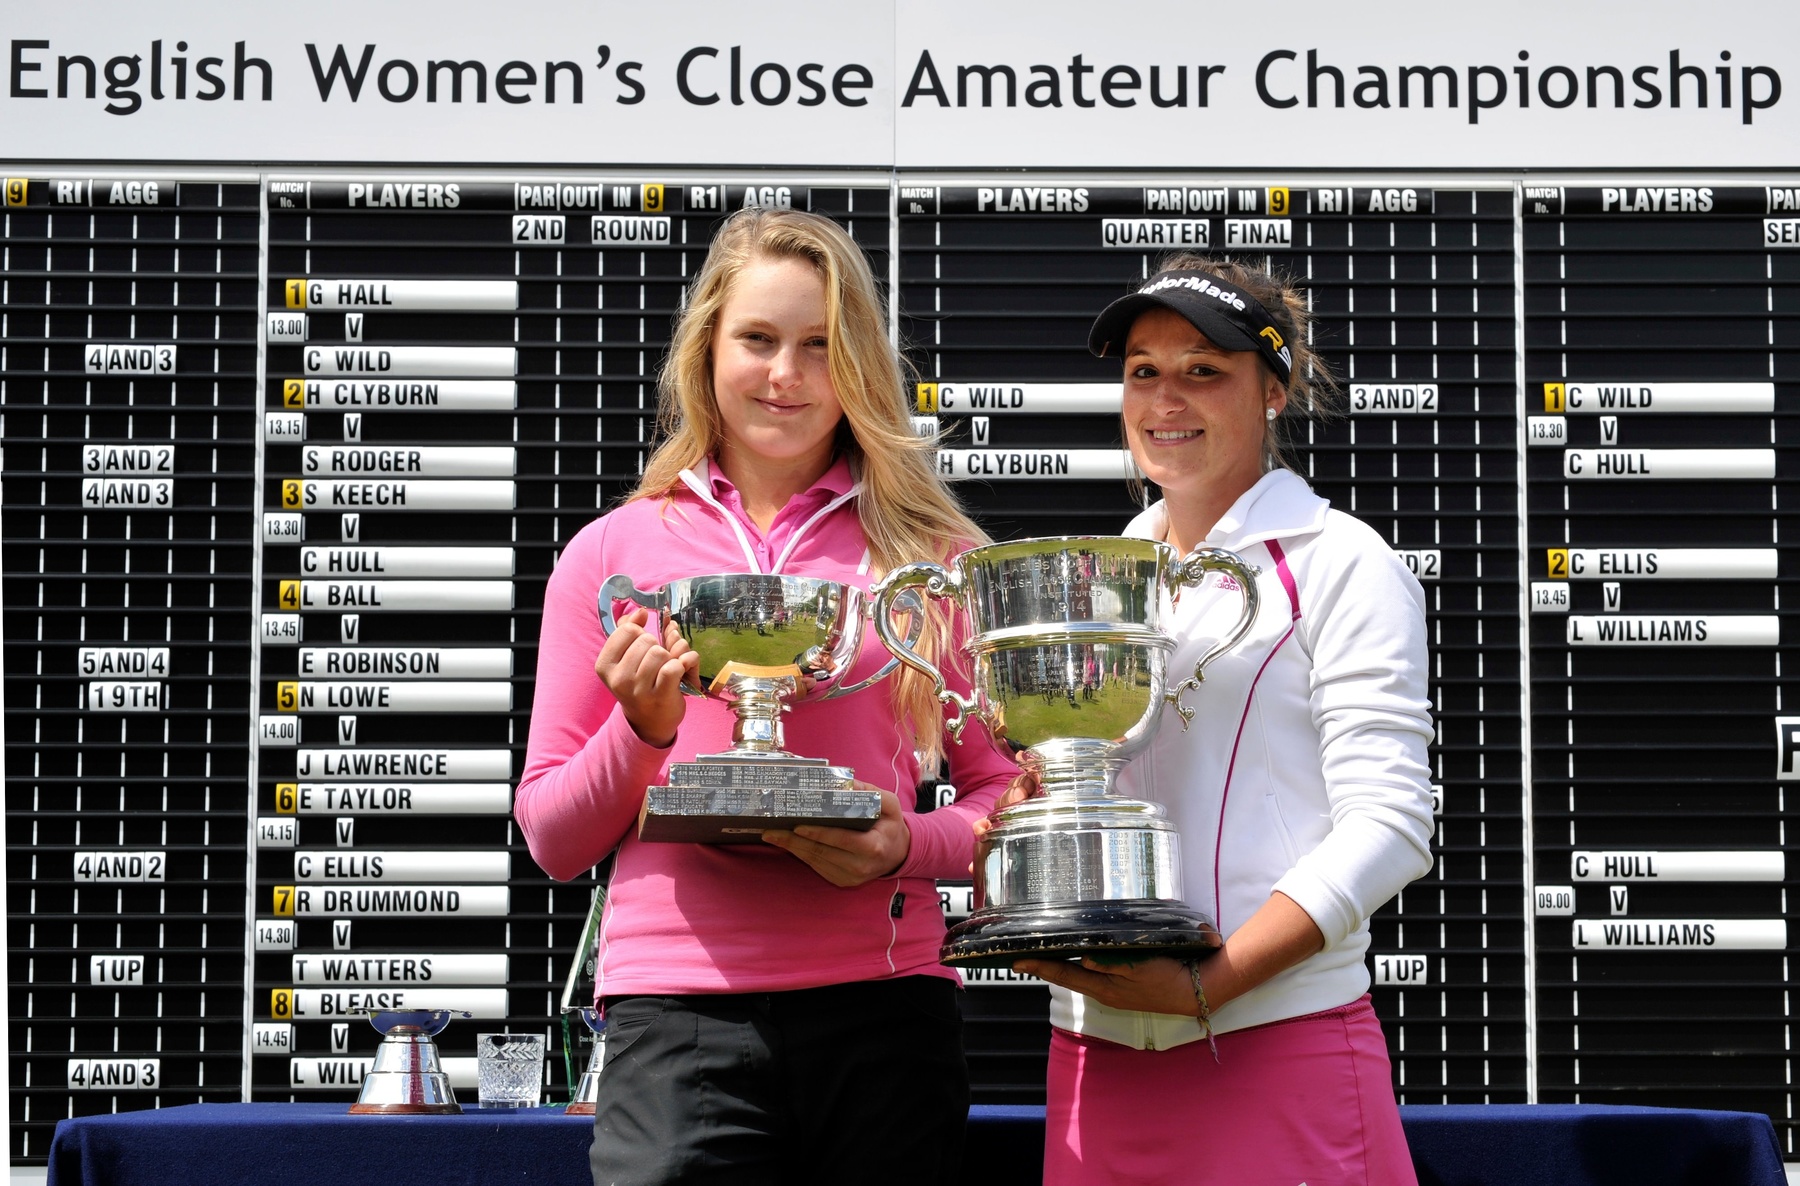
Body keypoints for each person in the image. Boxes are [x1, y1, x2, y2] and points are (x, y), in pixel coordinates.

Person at [515, 208, 1016, 1186]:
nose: (785, 374)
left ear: (860, 365)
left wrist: (905, 846)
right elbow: (554, 839)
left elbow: (1007, 796)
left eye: (820, 346)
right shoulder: (610, 555)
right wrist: (642, 732)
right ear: (707, 349)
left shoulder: (935, 561)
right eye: (757, 338)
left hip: (887, 1011)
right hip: (675, 1016)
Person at [1007, 255, 1436, 1185]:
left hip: (1278, 1040)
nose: (1167, 398)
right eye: (1143, 371)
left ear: (1272, 390)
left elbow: (1392, 826)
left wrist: (1210, 984)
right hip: (1095, 1056)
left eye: (1204, 369)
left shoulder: (1344, 561)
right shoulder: (1106, 569)